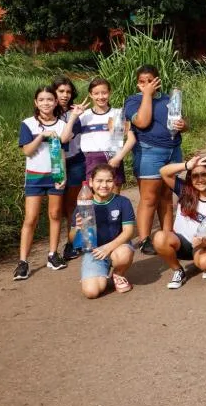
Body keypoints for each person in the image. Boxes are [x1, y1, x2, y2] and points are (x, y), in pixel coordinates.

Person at [124, 65, 186, 255]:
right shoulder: (133, 101)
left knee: (167, 196)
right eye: (142, 81)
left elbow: (181, 121)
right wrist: (147, 95)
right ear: (137, 83)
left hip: (172, 151)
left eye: (150, 80)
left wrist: (184, 125)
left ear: (157, 81)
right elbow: (142, 121)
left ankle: (167, 235)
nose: (146, 84)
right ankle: (144, 239)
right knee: (149, 198)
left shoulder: (169, 99)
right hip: (149, 152)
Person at [14, 86, 67, 280]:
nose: (46, 103)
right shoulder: (28, 124)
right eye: (42, 99)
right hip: (35, 176)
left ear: (55, 102)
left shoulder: (61, 124)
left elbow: (62, 152)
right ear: (36, 102)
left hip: (55, 175)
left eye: (50, 99)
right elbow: (27, 151)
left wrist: (63, 176)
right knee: (31, 218)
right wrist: (42, 135)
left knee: (55, 215)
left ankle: (53, 254)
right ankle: (23, 262)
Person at [155, 155, 206, 288]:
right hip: (182, 243)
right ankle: (178, 270)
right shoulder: (185, 190)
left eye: (204, 174)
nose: (200, 179)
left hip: (205, 244)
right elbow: (163, 172)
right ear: (190, 178)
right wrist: (187, 165)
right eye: (195, 175)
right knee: (159, 237)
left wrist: (202, 241)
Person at [75, 164, 136, 298]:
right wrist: (78, 229)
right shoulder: (84, 203)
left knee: (124, 254)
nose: (104, 185)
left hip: (117, 247)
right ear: (91, 182)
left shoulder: (123, 202)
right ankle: (97, 274)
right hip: (94, 251)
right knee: (91, 292)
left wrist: (108, 248)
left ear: (114, 182)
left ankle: (118, 274)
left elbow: (129, 231)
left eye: (108, 181)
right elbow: (71, 238)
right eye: (99, 181)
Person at [67, 78, 131, 192]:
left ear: (109, 93)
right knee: (94, 199)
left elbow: (127, 139)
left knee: (114, 197)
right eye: (96, 93)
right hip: (92, 160)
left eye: (104, 93)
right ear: (91, 95)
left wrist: (118, 158)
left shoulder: (118, 113)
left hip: (114, 158)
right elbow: (66, 137)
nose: (101, 97)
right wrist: (74, 116)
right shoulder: (84, 116)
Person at [52, 76, 87, 261]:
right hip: (56, 164)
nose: (65, 95)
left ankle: (71, 243)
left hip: (76, 161)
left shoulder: (78, 111)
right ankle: (53, 250)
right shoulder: (48, 111)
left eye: (68, 91)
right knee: (56, 209)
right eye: (61, 91)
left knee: (72, 206)